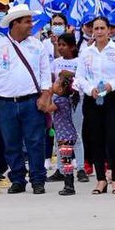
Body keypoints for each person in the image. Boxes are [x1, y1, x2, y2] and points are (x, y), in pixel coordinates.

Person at [0, 4, 52, 195]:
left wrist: (45, 95)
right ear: (15, 23)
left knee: (35, 142)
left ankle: (38, 180)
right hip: (5, 103)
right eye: (27, 22)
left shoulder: (38, 46)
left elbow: (45, 73)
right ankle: (18, 179)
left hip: (31, 101)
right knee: (11, 144)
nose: (31, 25)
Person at [76, 16, 115, 195]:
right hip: (93, 99)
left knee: (113, 139)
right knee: (96, 139)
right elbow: (79, 77)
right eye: (96, 28)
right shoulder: (86, 52)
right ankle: (101, 179)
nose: (99, 32)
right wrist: (89, 88)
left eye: (102, 28)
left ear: (109, 30)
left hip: (114, 98)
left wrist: (111, 85)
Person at [50, 67, 80, 196]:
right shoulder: (66, 99)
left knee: (66, 161)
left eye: (56, 83)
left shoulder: (60, 100)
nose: (53, 84)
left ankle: (69, 185)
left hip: (65, 135)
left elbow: (47, 108)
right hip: (68, 134)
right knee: (65, 160)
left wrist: (47, 93)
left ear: (61, 89)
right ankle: (68, 184)